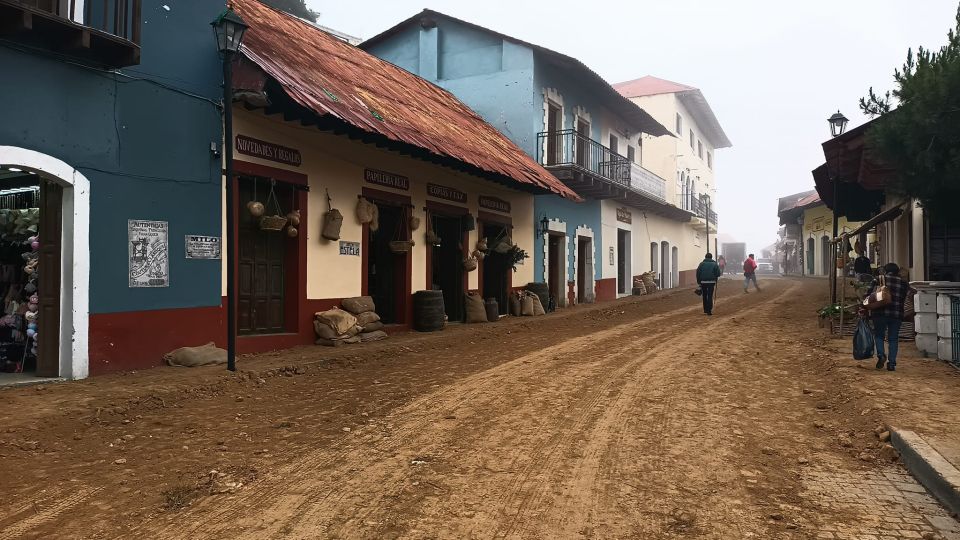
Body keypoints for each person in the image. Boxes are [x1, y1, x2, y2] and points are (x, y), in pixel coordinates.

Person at [868, 262, 910, 371]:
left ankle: (881, 355)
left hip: (879, 313)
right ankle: (891, 363)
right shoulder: (904, 283)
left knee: (879, 335)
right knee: (893, 338)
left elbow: (869, 294)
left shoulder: (878, 279)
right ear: (897, 271)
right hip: (896, 314)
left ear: (885, 271)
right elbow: (904, 297)